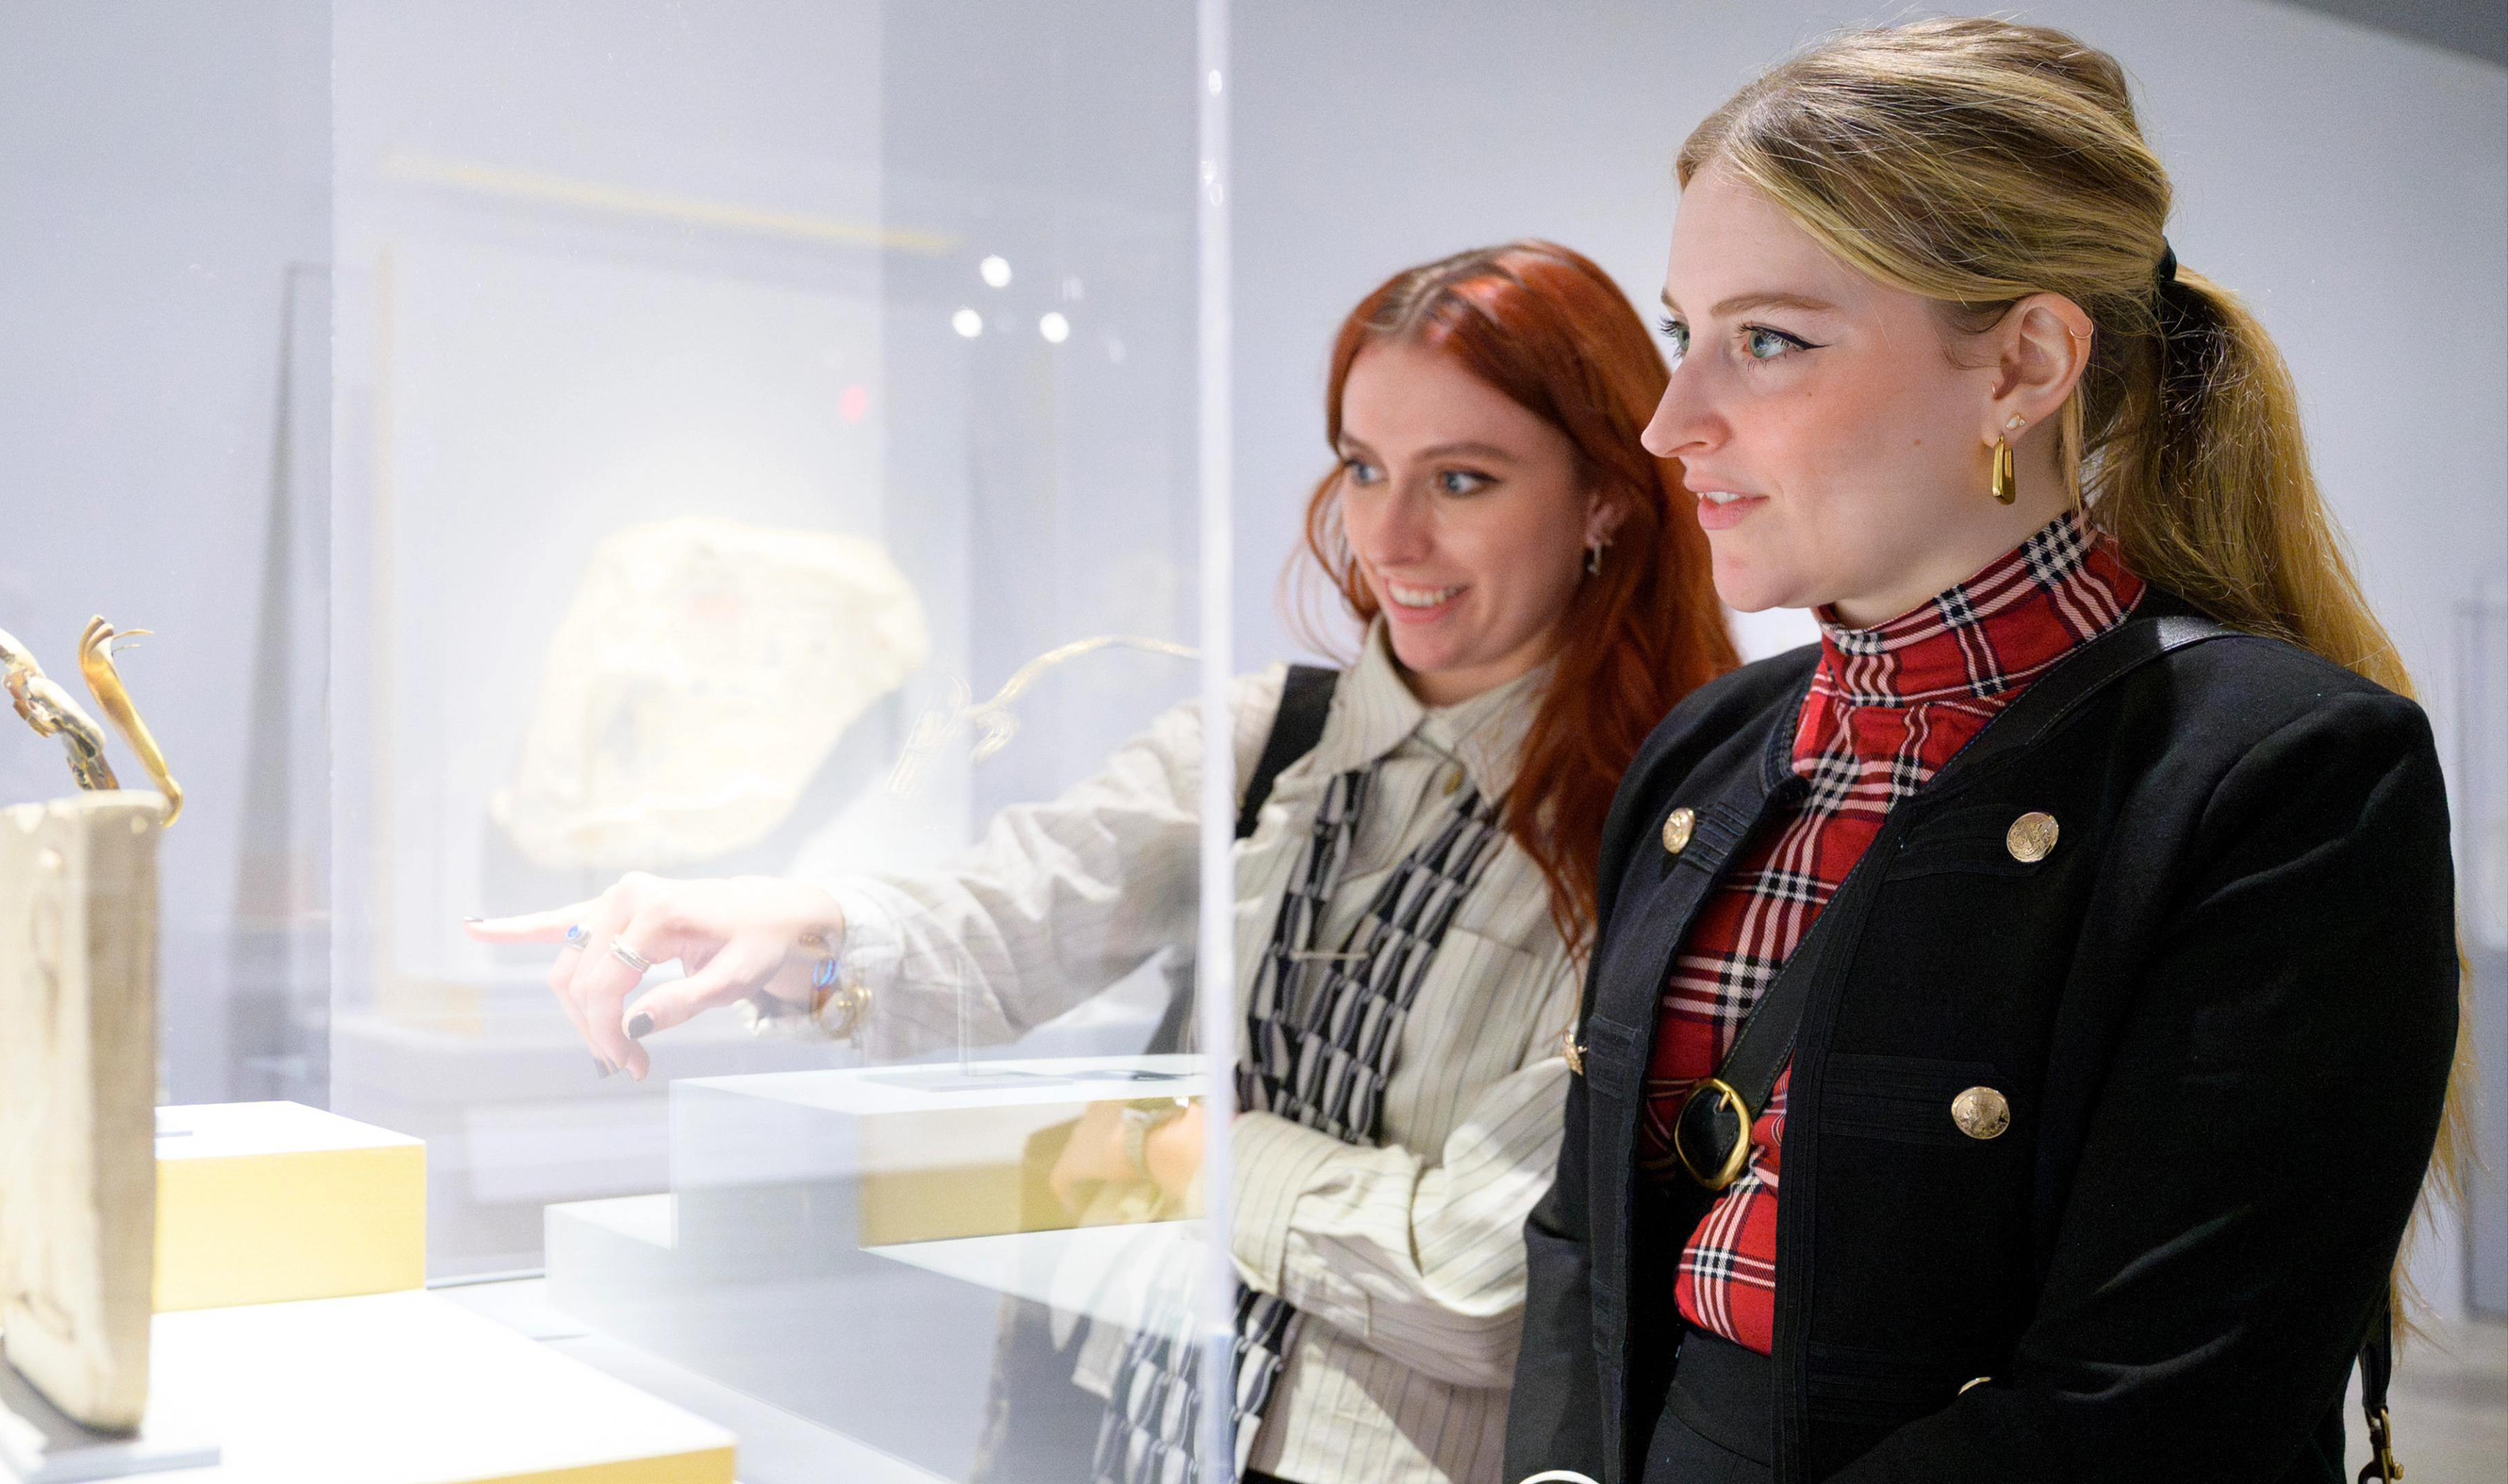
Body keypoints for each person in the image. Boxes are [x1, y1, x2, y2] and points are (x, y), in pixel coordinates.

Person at [469, 240, 1738, 1484]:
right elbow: (1011, 916)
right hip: (1142, 1417)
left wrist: (1178, 1152)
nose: (1390, 537)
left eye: (1461, 480)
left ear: (1608, 498)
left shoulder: (1665, 828)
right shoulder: (1267, 743)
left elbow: (1483, 1284)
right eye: (1362, 468)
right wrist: (786, 920)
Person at [1508, 19, 2467, 1484]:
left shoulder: (2286, 779)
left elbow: (2160, 1403)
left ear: (2022, 363)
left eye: (1768, 339)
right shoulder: (1711, 755)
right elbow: (1586, 1243)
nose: (1668, 421)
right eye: (1680, 330)